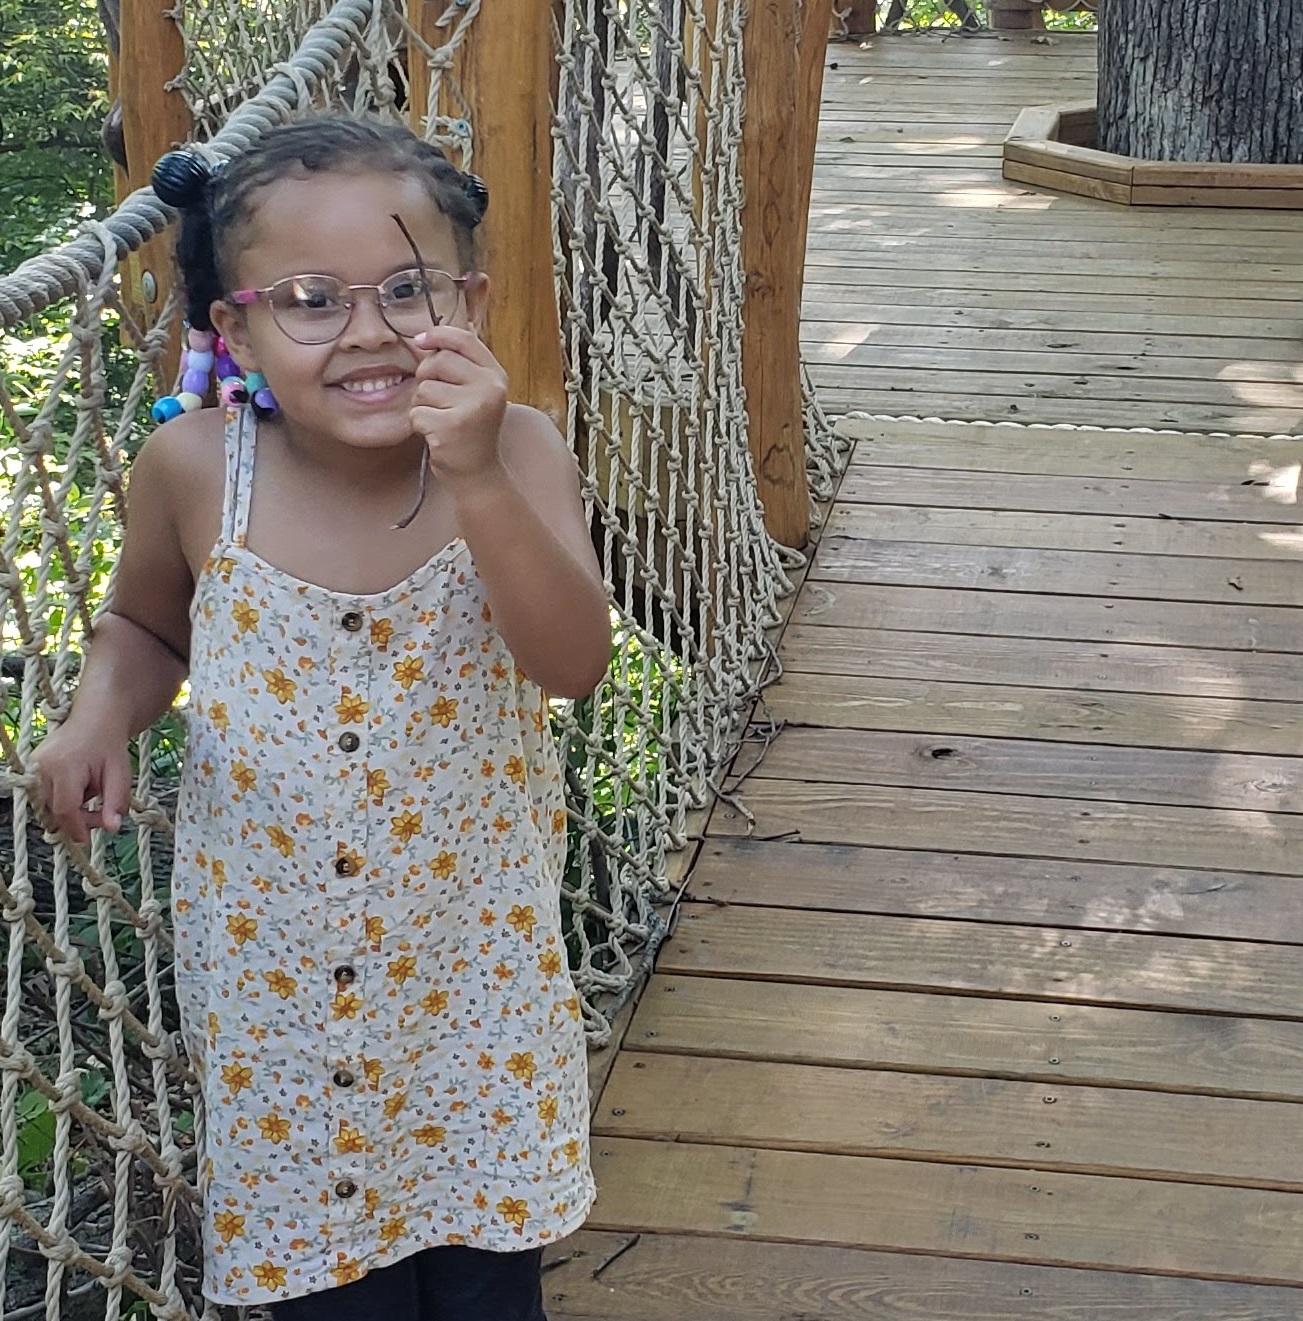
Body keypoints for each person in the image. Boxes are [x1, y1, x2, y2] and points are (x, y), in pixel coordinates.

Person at [32, 113, 612, 1321]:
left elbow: (570, 663)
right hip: (279, 1005)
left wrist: (475, 475)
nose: (369, 331)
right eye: (309, 299)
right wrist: (98, 719)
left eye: (408, 288)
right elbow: (147, 629)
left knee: (487, 1290)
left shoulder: (519, 451)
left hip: (475, 990)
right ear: (236, 327)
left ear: (470, 300)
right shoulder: (196, 469)